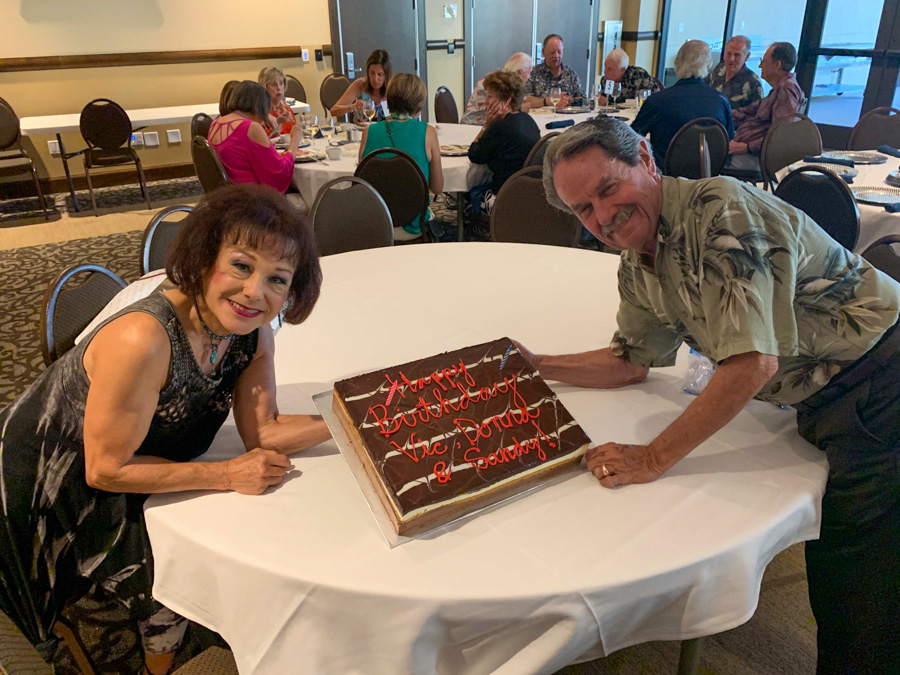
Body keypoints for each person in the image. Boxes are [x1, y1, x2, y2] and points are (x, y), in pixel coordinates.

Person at [529, 116, 899, 675]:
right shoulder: (639, 262)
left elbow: (754, 362)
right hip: (827, 394)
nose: (602, 216)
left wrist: (651, 457)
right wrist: (533, 366)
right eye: (584, 209)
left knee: (857, 586)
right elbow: (629, 362)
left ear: (647, 161)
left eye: (608, 189)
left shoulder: (720, 210)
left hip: (882, 378)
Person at [0, 184, 331, 674]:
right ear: (202, 258)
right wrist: (226, 475)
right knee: (166, 579)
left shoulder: (250, 328)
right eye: (241, 266)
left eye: (277, 279)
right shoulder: (144, 338)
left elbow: (264, 430)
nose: (255, 291)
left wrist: (351, 417)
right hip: (47, 490)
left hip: (124, 460)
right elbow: (106, 469)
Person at [358, 73, 443, 241]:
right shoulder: (428, 133)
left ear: (388, 99)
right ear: (419, 103)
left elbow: (363, 184)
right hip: (414, 225)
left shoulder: (368, 132)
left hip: (376, 223)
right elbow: (437, 188)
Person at [631, 40, 733, 170]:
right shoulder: (721, 101)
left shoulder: (657, 101)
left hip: (665, 179)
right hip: (708, 179)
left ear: (677, 63)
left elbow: (632, 138)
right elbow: (727, 142)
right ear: (708, 65)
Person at [207, 81, 307, 209]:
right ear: (257, 107)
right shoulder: (250, 127)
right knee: (309, 202)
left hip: (227, 197)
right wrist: (294, 142)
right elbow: (279, 173)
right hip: (252, 201)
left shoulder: (216, 123)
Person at [467, 70, 540, 215]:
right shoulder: (528, 120)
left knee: (469, 193)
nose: (486, 102)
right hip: (529, 194)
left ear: (506, 100)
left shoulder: (499, 126)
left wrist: (486, 125)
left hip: (504, 197)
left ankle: (474, 230)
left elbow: (474, 155)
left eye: (490, 96)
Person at [729, 42, 805, 159]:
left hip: (754, 156)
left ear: (777, 65)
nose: (760, 66)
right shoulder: (778, 89)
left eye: (764, 61)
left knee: (708, 158)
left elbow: (781, 135)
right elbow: (748, 111)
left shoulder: (787, 90)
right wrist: (721, 113)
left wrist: (747, 147)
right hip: (745, 149)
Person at [461, 52, 533, 125]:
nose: (529, 77)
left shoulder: (510, 82)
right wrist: (521, 109)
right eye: (529, 73)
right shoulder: (495, 83)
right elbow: (499, 113)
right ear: (520, 72)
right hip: (475, 125)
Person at [524, 34, 584, 110]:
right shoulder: (533, 73)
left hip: (567, 118)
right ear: (543, 52)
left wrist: (570, 100)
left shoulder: (571, 74)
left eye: (559, 52)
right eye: (552, 52)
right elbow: (525, 100)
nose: (556, 56)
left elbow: (583, 99)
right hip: (541, 118)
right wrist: (547, 101)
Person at [330, 49, 391, 122]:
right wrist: (351, 107)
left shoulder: (391, 89)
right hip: (360, 132)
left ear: (386, 75)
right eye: (372, 73)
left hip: (383, 133)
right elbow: (333, 111)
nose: (375, 79)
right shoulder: (360, 85)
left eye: (380, 74)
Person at [706, 35, 764, 111]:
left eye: (737, 55)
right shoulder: (719, 69)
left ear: (746, 57)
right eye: (728, 54)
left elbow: (758, 115)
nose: (731, 59)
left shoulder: (753, 82)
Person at [258, 67, 298, 137]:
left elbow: (295, 133)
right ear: (264, 87)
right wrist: (278, 122)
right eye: (274, 84)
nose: (279, 88)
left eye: (281, 83)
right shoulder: (259, 111)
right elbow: (262, 141)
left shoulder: (285, 108)